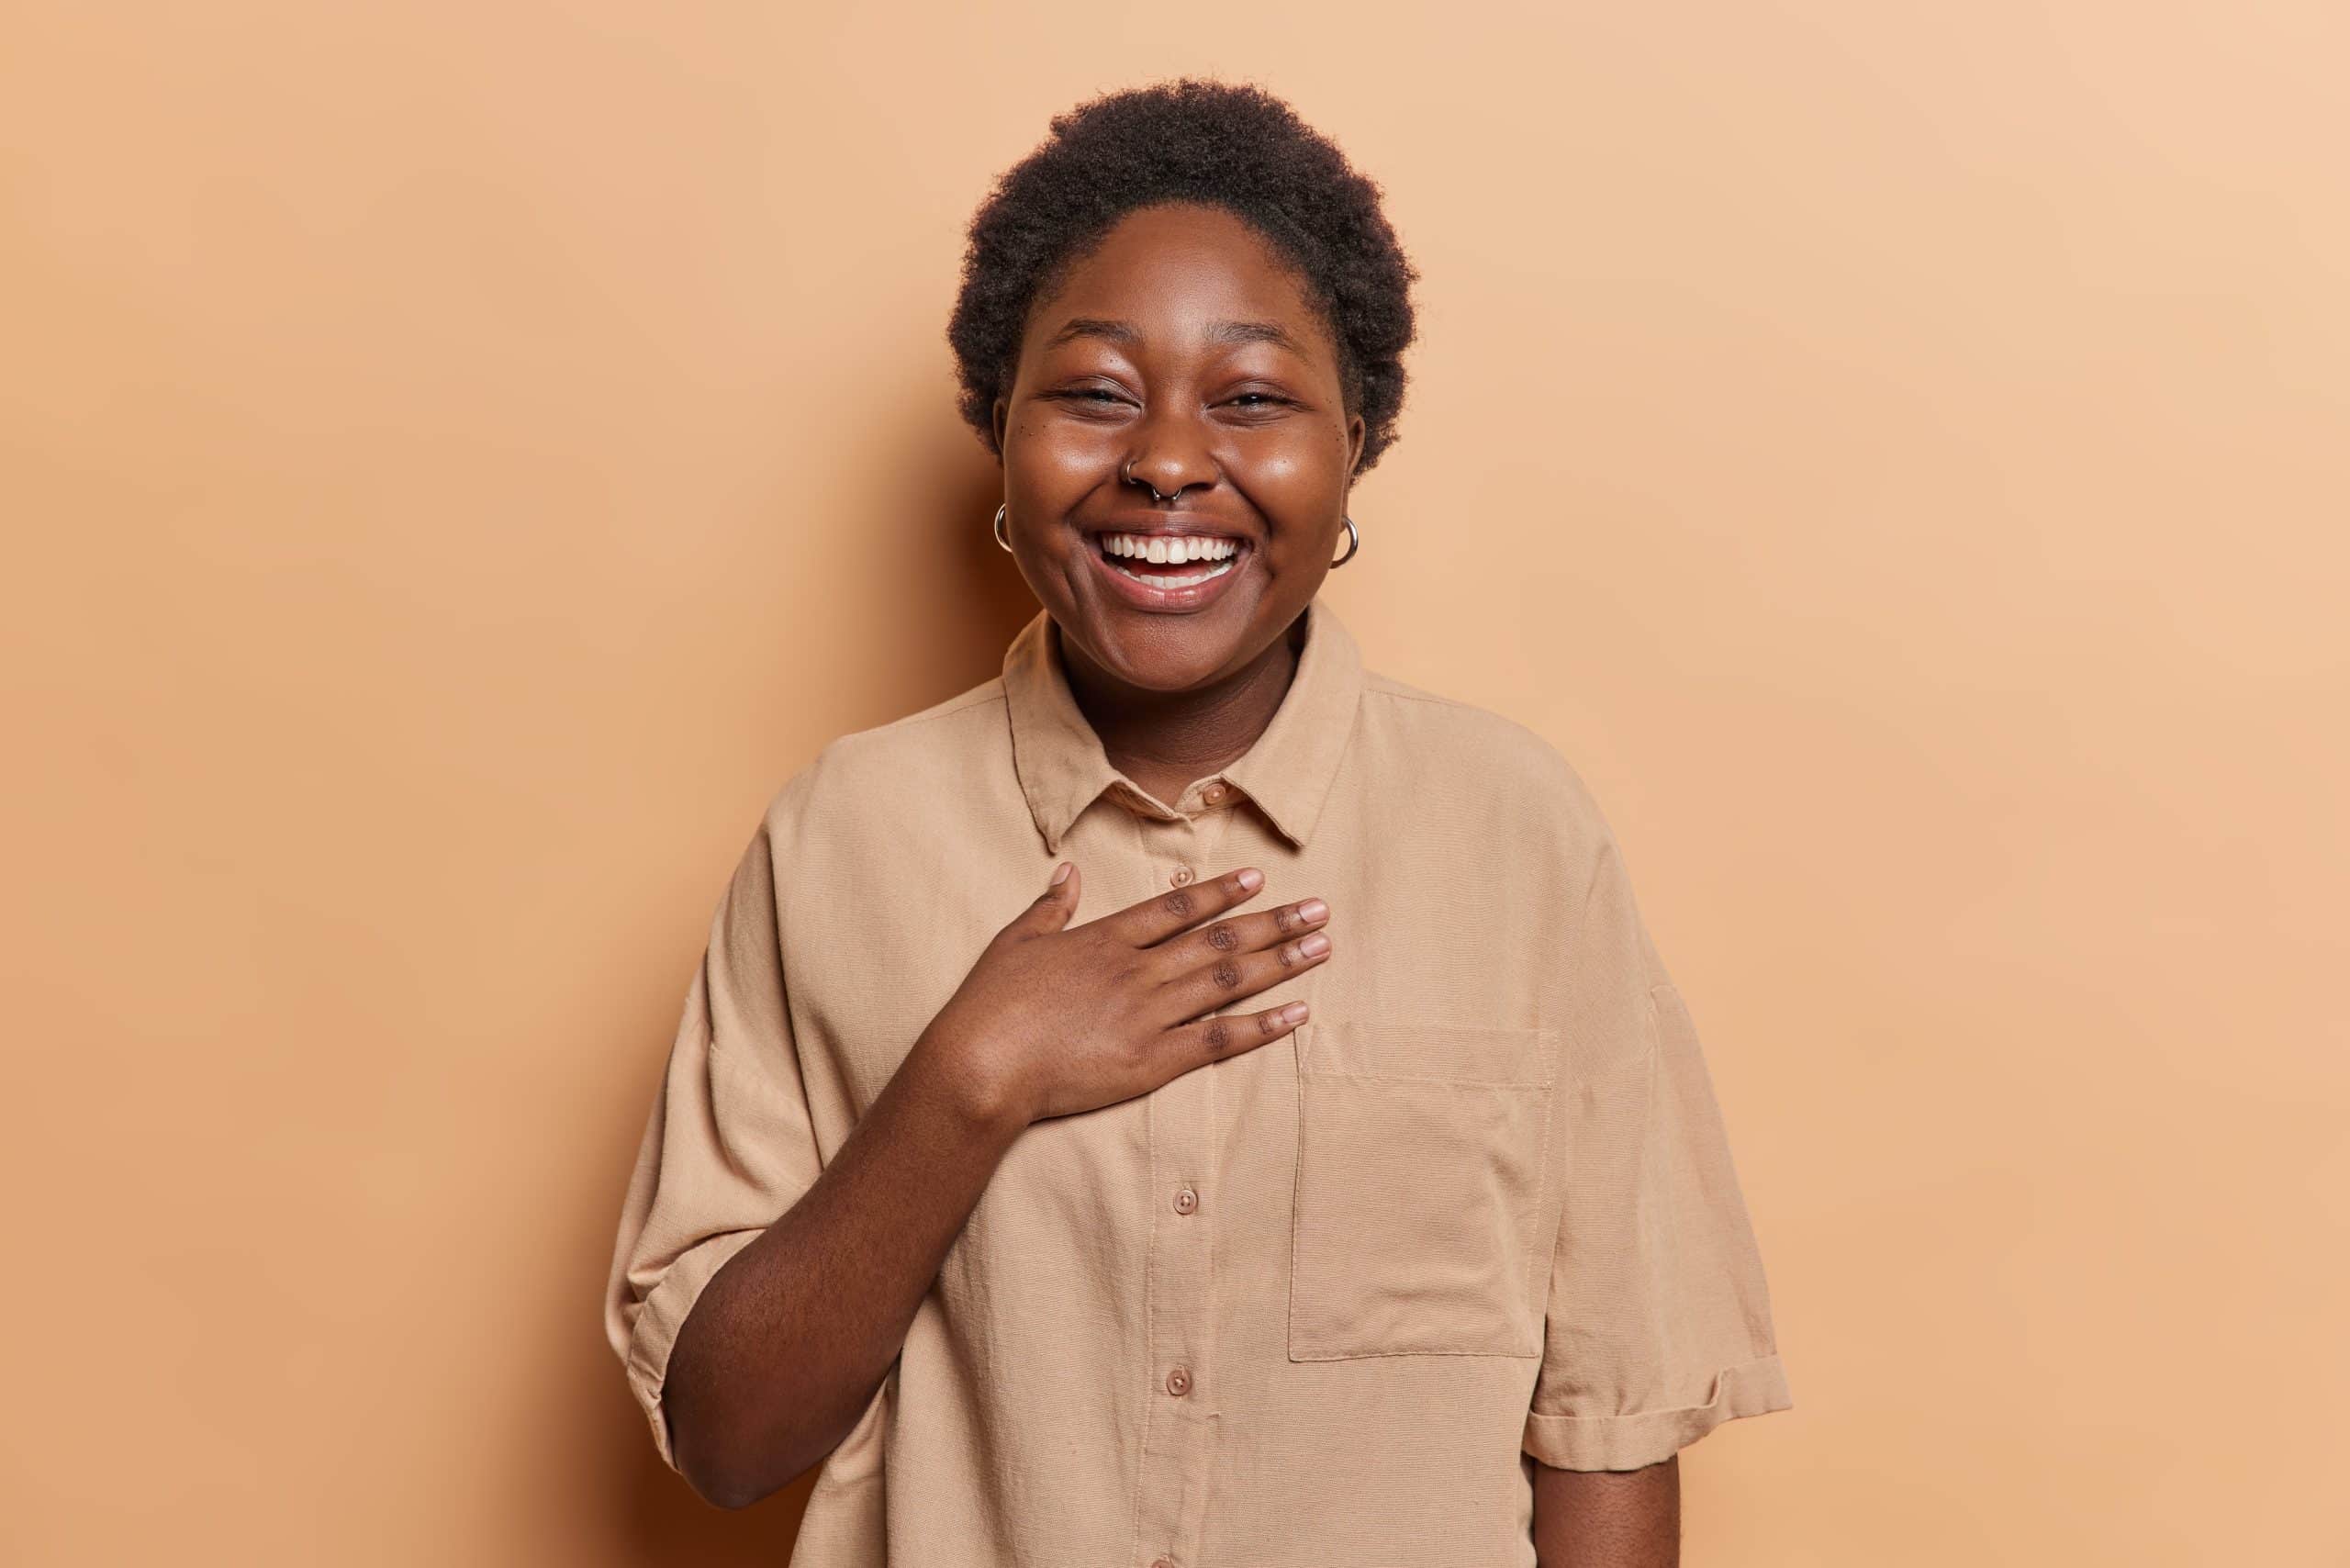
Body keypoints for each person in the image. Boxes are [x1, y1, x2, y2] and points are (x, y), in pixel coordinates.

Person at [603, 77, 1792, 1566]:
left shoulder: (1517, 837)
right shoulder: (843, 837)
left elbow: (1610, 1429)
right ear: (998, 429)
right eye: (1095, 391)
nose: (1167, 458)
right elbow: (726, 1441)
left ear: (1354, 440)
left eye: (1251, 398)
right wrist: (976, 1073)